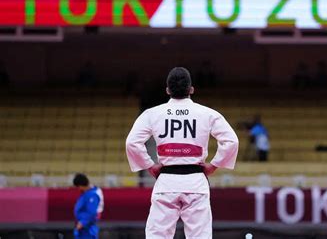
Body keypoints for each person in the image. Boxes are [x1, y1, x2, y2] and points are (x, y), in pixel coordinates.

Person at [126, 67, 239, 239]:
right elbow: (232, 141)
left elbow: (132, 143)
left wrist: (150, 166)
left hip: (166, 182)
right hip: (196, 181)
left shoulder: (152, 114)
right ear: (191, 89)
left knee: (157, 236)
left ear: (168, 90)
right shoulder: (207, 114)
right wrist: (214, 165)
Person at [72, 173, 104, 239]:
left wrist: (82, 223)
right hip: (82, 229)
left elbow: (92, 213)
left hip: (88, 229)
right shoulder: (85, 194)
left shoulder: (93, 195)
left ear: (80, 185)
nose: (78, 189)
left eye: (78, 187)